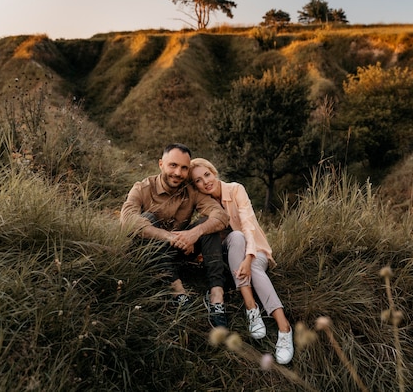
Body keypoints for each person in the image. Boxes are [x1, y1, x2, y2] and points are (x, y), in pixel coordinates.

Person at [189, 158, 294, 365]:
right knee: (235, 238)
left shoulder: (236, 189)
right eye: (199, 181)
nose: (205, 182)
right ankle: (251, 306)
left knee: (248, 256)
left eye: (207, 175)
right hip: (230, 257)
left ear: (214, 172)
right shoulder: (204, 204)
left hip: (256, 249)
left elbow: (248, 226)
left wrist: (248, 258)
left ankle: (284, 328)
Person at [120, 143, 230, 327]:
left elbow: (221, 216)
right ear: (161, 164)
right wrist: (169, 237)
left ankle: (216, 296)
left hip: (180, 252)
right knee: (147, 218)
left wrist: (194, 233)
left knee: (207, 225)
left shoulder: (191, 191)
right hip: (150, 255)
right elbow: (128, 221)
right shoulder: (142, 188)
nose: (178, 173)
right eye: (173, 165)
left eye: (184, 168)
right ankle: (178, 292)